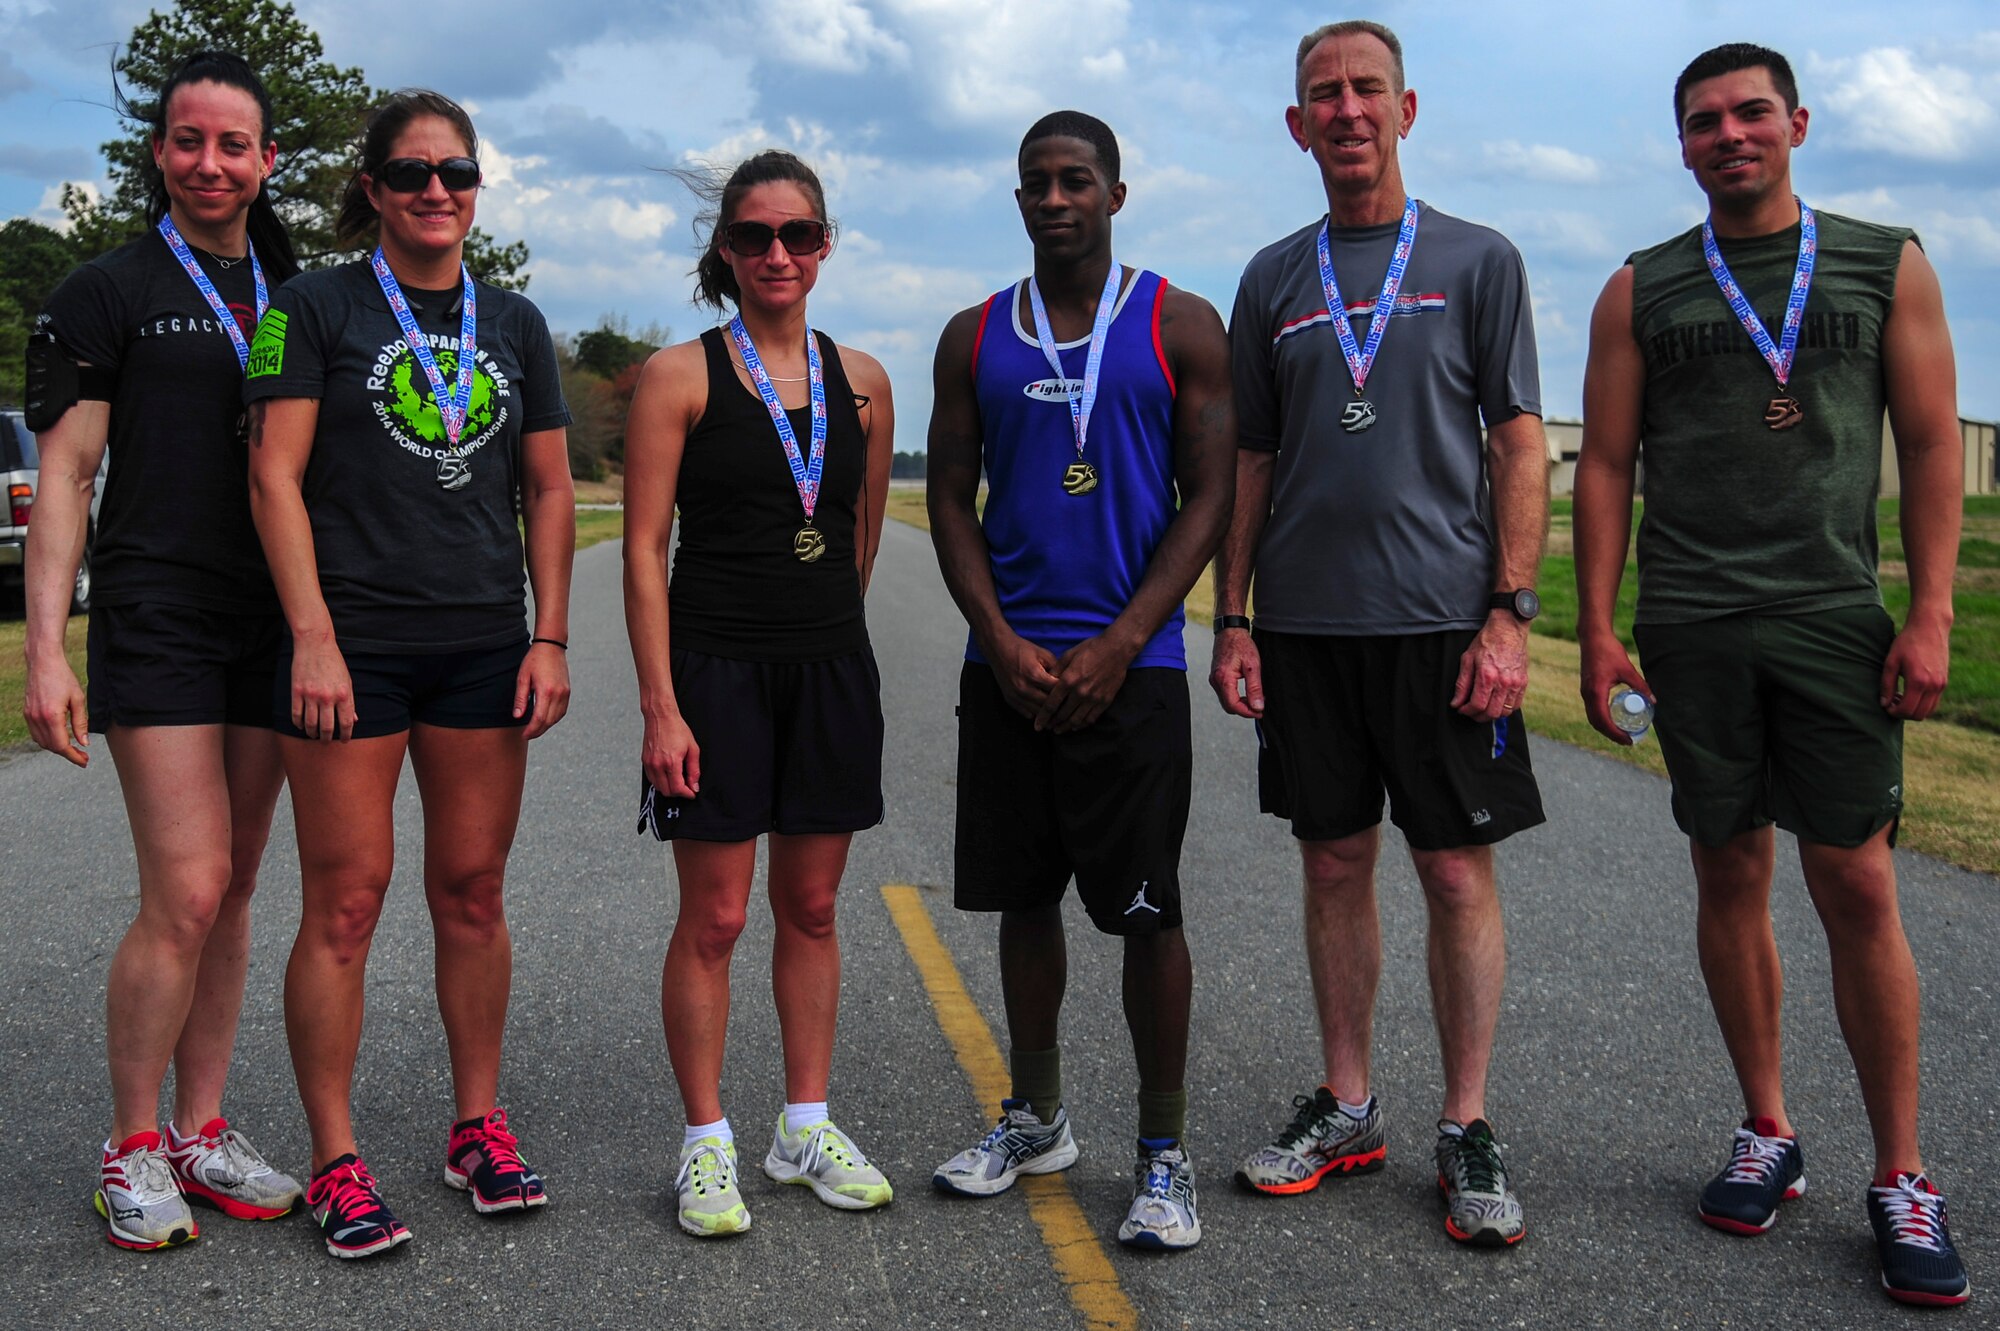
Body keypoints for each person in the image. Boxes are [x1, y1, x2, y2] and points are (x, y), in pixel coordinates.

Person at [1574, 43, 1970, 1306]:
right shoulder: (1639, 287)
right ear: (1679, 145)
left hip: (1829, 615)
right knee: (1727, 867)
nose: (1728, 135)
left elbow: (1923, 439)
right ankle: (1766, 1129)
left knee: (1854, 878)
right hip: (1691, 622)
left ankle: (1901, 1175)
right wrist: (1595, 627)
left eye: (1750, 113)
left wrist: (1929, 613)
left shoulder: (1881, 258)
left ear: (1794, 122)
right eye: (1703, 122)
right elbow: (1604, 466)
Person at [1209, 20, 1548, 1247]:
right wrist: (1231, 613)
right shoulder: (1271, 277)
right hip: (1303, 627)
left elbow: (1518, 441)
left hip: (1443, 627)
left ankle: (1465, 1123)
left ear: (1406, 110)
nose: (1344, 110)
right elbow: (1250, 455)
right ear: (1296, 128)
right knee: (1332, 861)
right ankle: (1348, 1101)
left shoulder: (1477, 259)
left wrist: (1509, 613)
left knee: (1454, 870)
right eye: (1320, 96)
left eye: (1365, 90)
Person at [243, 89, 574, 1260]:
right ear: (373, 189)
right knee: (346, 898)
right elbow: (273, 477)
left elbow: (544, 488)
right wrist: (314, 633)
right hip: (354, 644)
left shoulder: (517, 320)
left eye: (458, 171)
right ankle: (334, 1156)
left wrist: (548, 636)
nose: (439, 189)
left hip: (483, 640)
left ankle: (475, 1124)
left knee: (472, 889)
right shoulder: (309, 306)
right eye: (413, 171)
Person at [926, 110, 1234, 1251]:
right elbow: (950, 497)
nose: (1054, 199)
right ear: (1017, 202)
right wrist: (999, 638)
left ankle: (1162, 1151)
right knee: (1022, 898)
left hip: (1133, 666)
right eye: (1035, 185)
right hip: (1006, 666)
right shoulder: (972, 334)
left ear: (1114, 191)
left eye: (1074, 180)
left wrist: (1123, 639)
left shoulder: (1181, 323)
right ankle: (1036, 1116)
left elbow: (1209, 494)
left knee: (1147, 913)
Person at [22, 50, 305, 1250]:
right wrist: (48, 647)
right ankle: (130, 1146)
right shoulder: (107, 287)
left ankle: (201, 1126)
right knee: (183, 889)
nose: (210, 163)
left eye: (233, 144)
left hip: (280, 617)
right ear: (158, 152)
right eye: (188, 140)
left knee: (235, 885)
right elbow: (67, 474)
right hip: (158, 609)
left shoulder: (305, 286)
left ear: (266, 161)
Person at [623, 149, 895, 1239]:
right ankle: (705, 1142)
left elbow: (861, 533)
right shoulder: (677, 377)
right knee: (717, 914)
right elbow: (643, 549)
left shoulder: (866, 378)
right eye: (752, 236)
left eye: (796, 235)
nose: (775, 253)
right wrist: (660, 704)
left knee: (814, 906)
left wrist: (824, 630)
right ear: (724, 252)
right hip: (713, 674)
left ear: (824, 247)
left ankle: (804, 1124)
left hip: (828, 669)